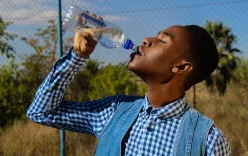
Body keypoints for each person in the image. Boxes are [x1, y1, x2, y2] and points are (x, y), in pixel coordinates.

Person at [27, 13, 231, 156]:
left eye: (162, 40)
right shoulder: (114, 112)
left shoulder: (208, 140)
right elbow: (41, 112)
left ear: (181, 67)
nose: (146, 40)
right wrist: (77, 56)